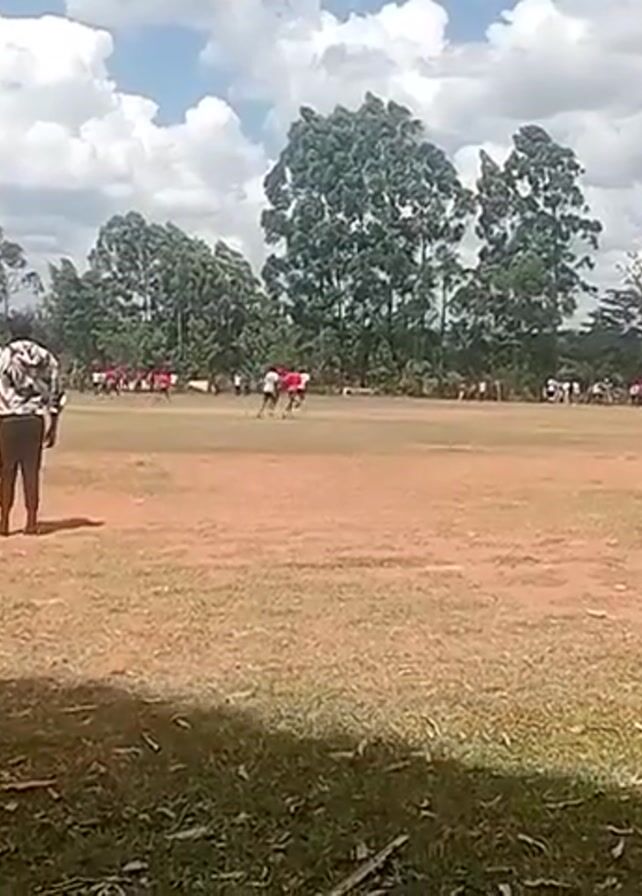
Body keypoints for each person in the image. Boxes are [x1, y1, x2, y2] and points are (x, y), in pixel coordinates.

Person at [0, 318, 63, 537]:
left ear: (11, 332)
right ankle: (31, 521)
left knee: (6, 471)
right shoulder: (45, 357)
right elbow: (56, 393)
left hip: (7, 420)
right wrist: (53, 425)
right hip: (34, 420)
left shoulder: (3, 356)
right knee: (31, 471)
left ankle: (4, 521)